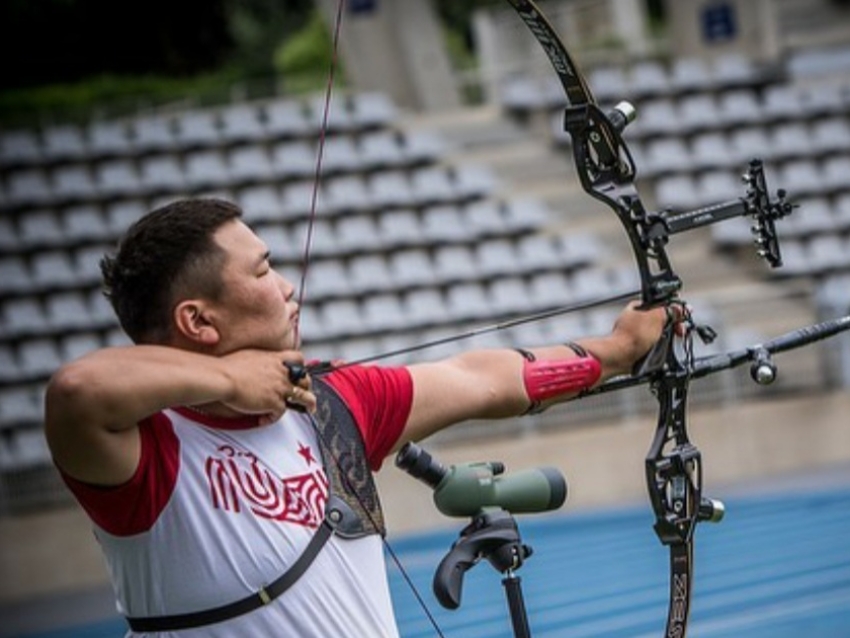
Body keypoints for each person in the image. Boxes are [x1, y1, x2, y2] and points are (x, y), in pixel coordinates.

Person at [45, 197, 674, 637]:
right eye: (263, 270)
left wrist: (615, 352)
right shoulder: (148, 449)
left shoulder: (330, 403)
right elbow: (77, 391)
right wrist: (230, 380)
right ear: (199, 322)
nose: (288, 286)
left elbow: (480, 381)